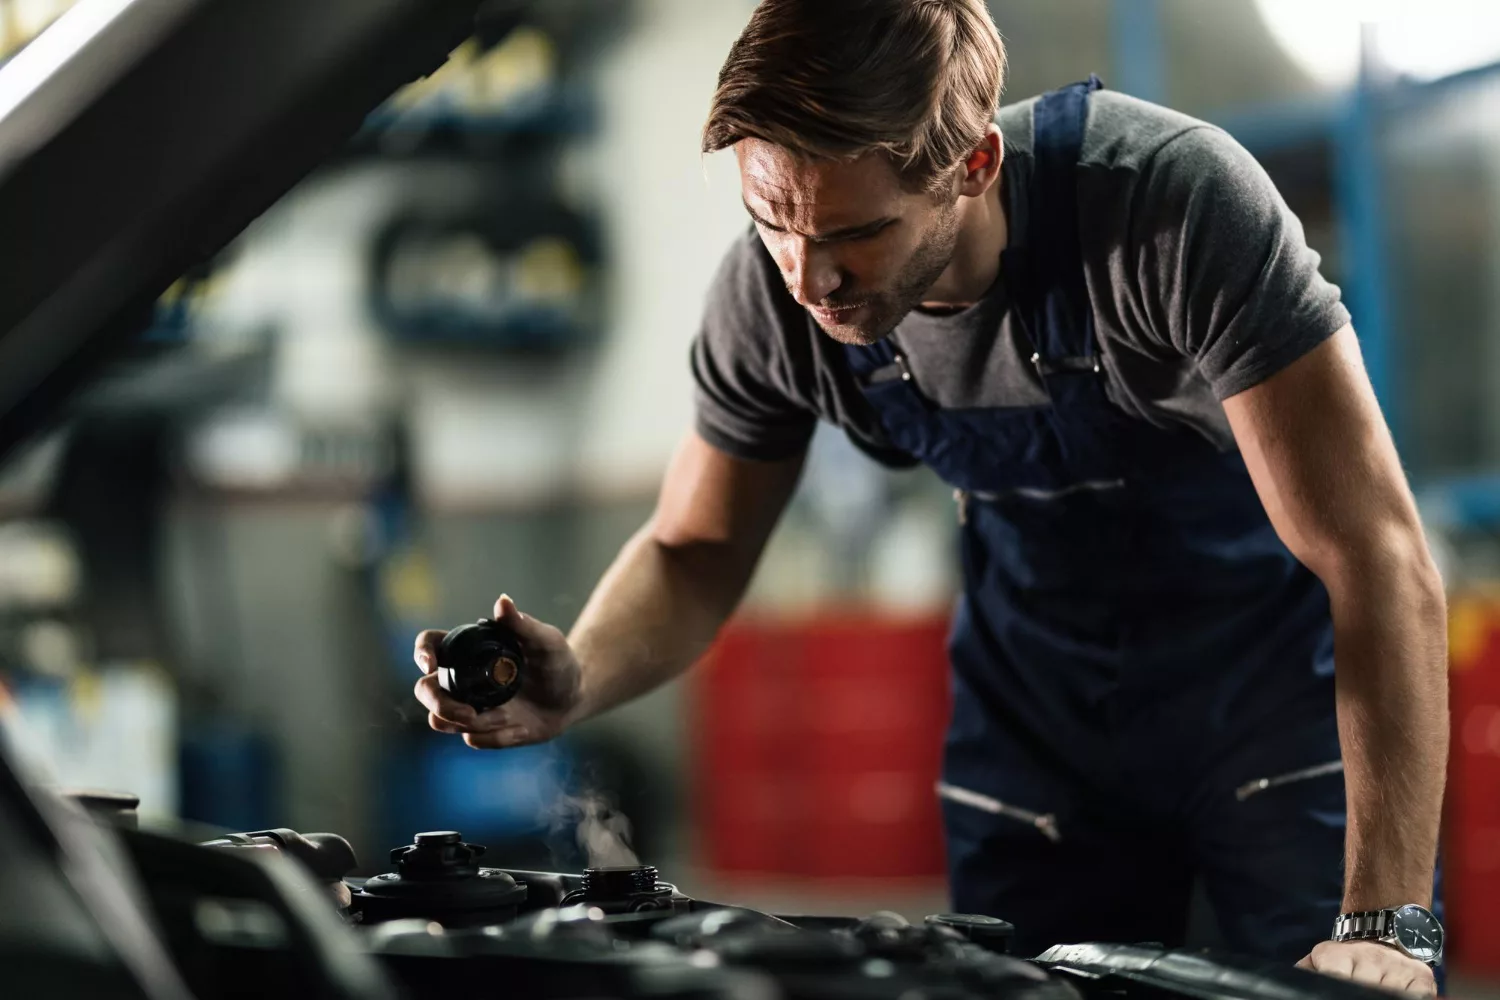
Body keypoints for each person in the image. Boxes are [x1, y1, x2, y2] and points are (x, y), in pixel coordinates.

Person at [414, 1, 1448, 993]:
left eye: (854, 234)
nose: (810, 280)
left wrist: (1386, 924)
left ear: (974, 165)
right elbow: (695, 548)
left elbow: (1376, 556)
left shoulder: (1170, 213)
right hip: (1036, 739)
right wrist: (579, 672)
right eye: (772, 221)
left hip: (1271, 718)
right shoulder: (771, 301)